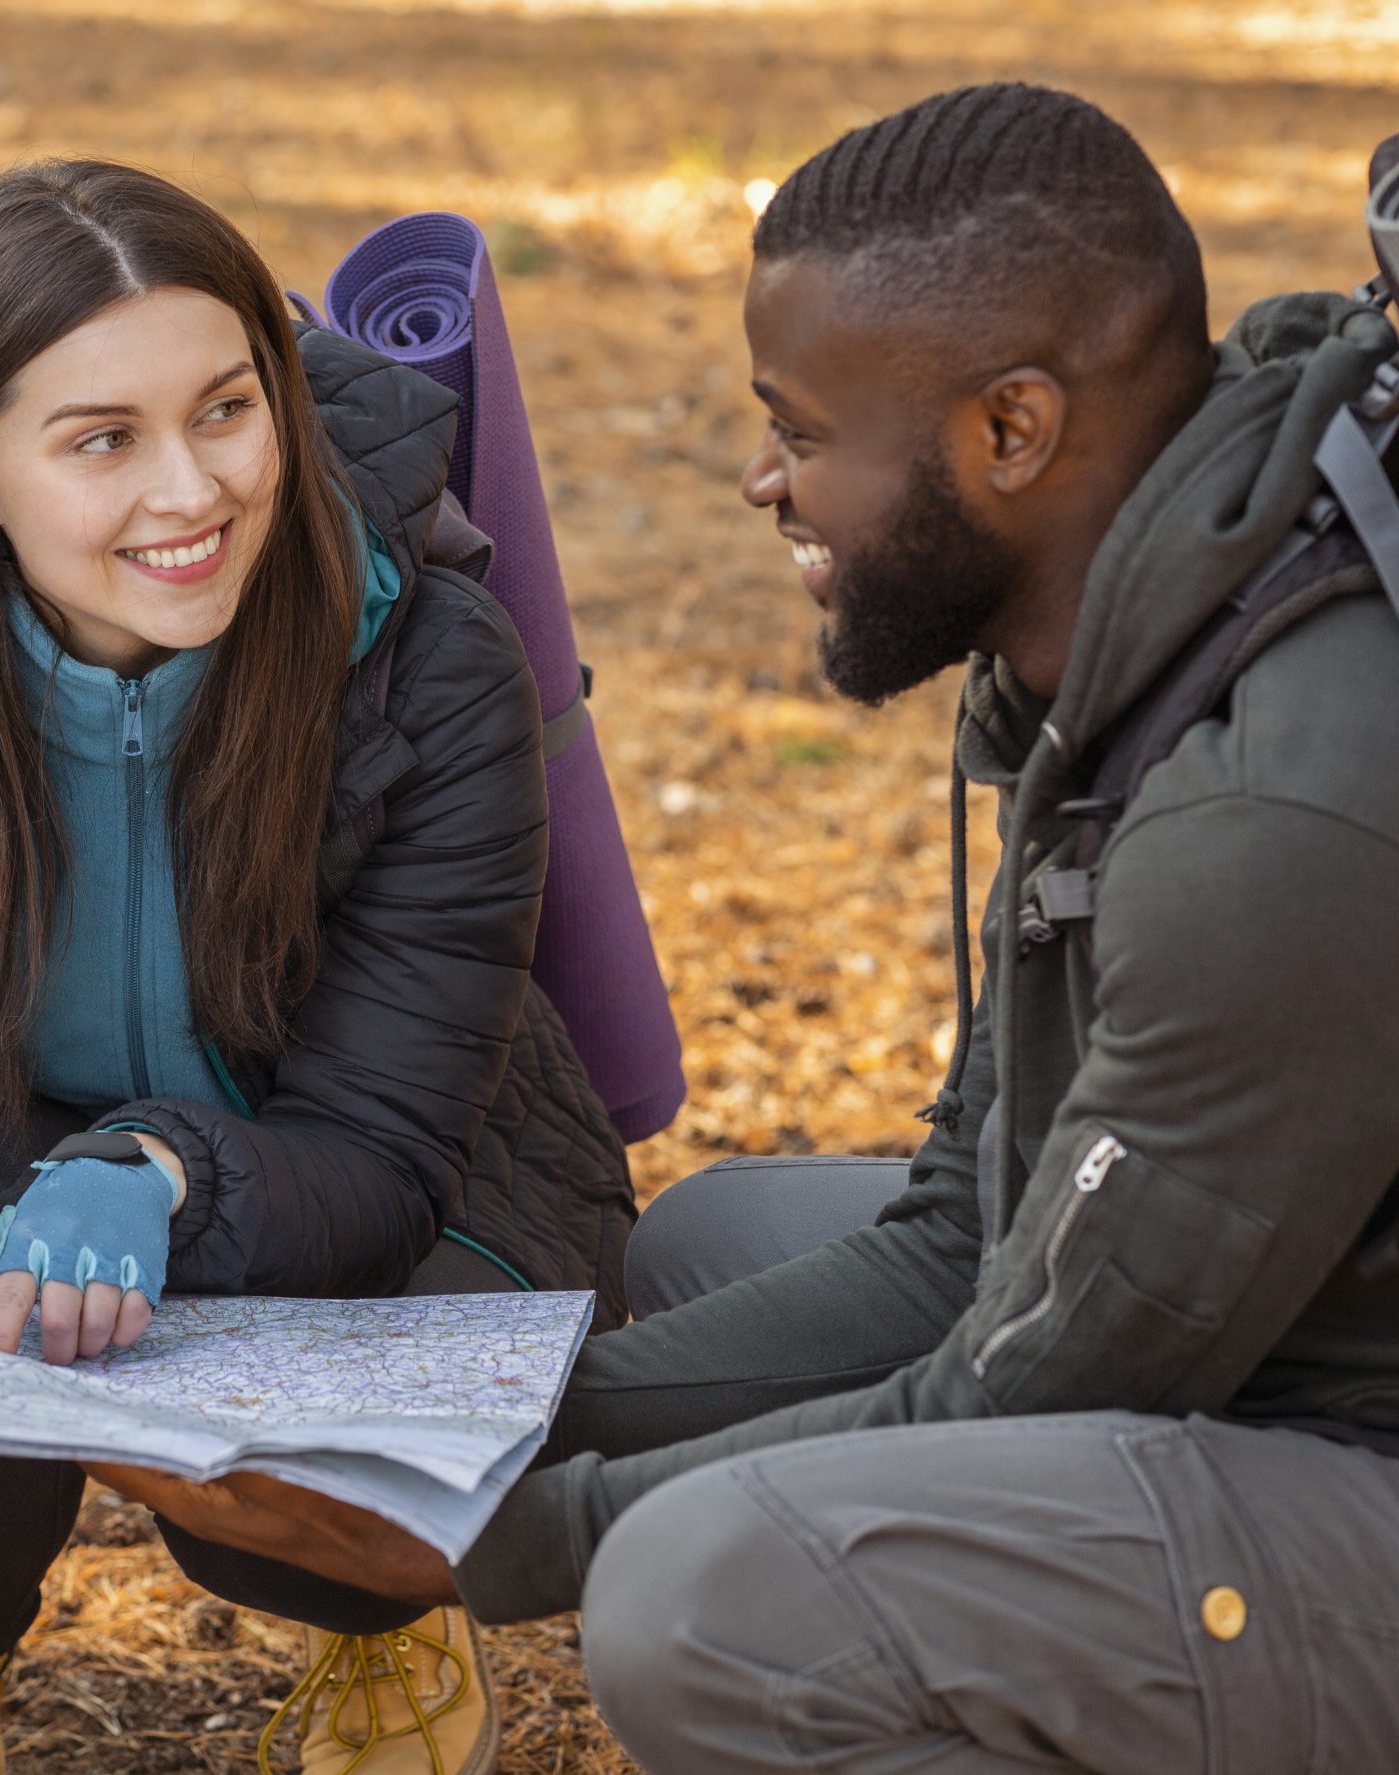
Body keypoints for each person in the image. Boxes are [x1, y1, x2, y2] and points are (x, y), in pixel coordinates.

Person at [89, 82, 1399, 1774]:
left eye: (799, 428)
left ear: (1011, 434)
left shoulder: (1266, 814)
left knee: (713, 1602)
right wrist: (430, 1426)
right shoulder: (1131, 623)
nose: (760, 480)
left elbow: (1058, 1374)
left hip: (1342, 1448)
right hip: (1279, 1346)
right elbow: (969, 1233)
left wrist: (496, 1534)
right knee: (704, 1245)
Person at [0, 158, 635, 1775]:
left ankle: (388, 1632)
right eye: (101, 441)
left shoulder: (431, 659)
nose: (192, 492)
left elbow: (386, 1143)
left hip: (409, 1163)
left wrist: (153, 1172)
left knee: (328, 1479)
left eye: (226, 410)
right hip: (3, 1133)